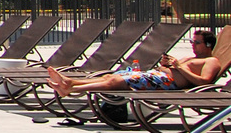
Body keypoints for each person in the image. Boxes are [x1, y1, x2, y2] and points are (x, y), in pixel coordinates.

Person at [48, 30, 223, 97]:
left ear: (208, 45)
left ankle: (71, 88)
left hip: (166, 84)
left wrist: (178, 67)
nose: (193, 45)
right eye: (192, 42)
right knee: (111, 76)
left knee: (114, 82)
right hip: (158, 77)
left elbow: (205, 82)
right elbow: (176, 70)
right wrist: (166, 66)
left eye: (196, 43)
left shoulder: (211, 61)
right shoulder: (191, 59)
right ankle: (70, 83)